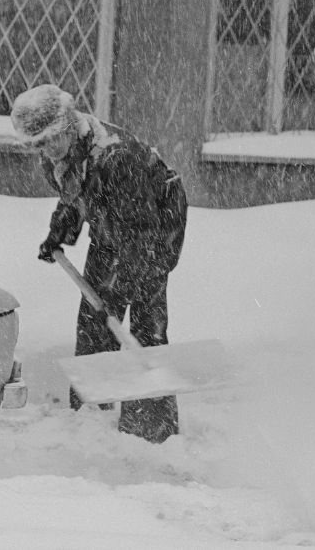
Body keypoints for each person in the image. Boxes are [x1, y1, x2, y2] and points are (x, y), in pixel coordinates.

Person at [11, 84, 187, 443]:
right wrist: (59, 232)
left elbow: (139, 230)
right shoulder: (60, 154)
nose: (44, 151)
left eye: (48, 140)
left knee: (144, 321)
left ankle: (150, 429)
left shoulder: (116, 158)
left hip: (155, 225)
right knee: (94, 320)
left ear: (68, 124)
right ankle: (90, 414)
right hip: (113, 222)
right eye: (37, 144)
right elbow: (77, 197)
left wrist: (126, 282)